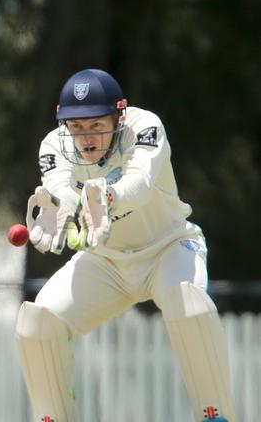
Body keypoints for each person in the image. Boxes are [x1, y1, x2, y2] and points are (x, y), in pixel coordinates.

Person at [16, 68, 235, 422]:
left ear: (118, 115)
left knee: (188, 304)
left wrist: (108, 195)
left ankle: (214, 416)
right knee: (38, 321)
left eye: (96, 125)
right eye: (77, 127)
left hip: (168, 248)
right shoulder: (54, 144)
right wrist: (64, 205)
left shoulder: (145, 126)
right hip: (106, 263)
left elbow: (141, 182)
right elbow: (59, 186)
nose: (86, 137)